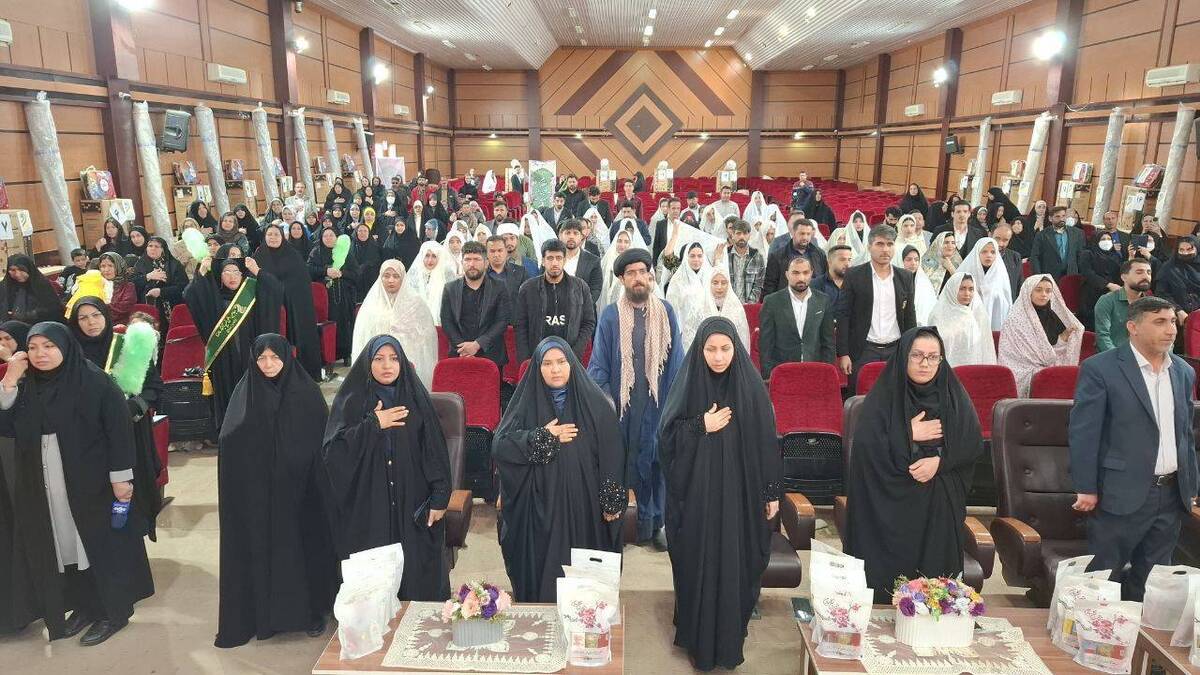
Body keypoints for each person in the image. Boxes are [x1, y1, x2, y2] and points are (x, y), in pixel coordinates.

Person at [0, 322, 154, 642]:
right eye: (33, 347)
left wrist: (121, 479)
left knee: (99, 545)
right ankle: (85, 606)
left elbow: (119, 431)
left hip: (93, 481)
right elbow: (8, 425)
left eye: (49, 346)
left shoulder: (94, 381)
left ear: (66, 347)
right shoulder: (30, 384)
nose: (40, 354)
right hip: (47, 479)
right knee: (67, 546)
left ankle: (113, 612)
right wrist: (9, 382)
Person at [658, 316, 782, 670]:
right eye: (710, 349)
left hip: (741, 500)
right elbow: (666, 440)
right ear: (700, 350)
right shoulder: (687, 385)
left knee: (736, 564)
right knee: (697, 563)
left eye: (725, 348)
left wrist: (771, 491)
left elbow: (767, 444)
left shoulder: (751, 388)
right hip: (697, 500)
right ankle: (697, 638)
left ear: (735, 348)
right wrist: (700, 425)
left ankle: (729, 640)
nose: (718, 356)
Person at [1070, 296, 1198, 601]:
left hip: (1171, 493)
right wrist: (1085, 487)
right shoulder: (1100, 369)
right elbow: (1084, 432)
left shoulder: (1183, 371)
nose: (1171, 329)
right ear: (1133, 327)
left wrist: (1191, 486)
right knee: (1104, 578)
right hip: (1119, 491)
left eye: (1172, 321)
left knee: (1153, 582)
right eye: (1159, 322)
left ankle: (1141, 631)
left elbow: (1186, 435)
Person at [845, 327, 984, 602]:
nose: (925, 363)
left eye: (933, 357)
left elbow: (971, 444)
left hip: (935, 511)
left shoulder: (953, 396)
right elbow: (865, 448)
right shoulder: (884, 397)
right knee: (883, 591)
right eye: (917, 355)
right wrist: (907, 433)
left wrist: (939, 463)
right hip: (888, 509)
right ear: (903, 357)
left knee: (932, 594)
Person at [214, 334, 335, 647]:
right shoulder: (245, 394)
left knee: (303, 552)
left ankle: (312, 612)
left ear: (287, 357)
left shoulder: (306, 393)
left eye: (274, 357)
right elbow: (230, 440)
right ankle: (266, 616)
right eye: (261, 358)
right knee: (266, 551)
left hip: (301, 496)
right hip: (261, 497)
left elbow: (321, 442)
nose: (268, 364)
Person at [492, 336, 626, 602]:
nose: (555, 369)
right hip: (539, 510)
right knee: (545, 573)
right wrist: (542, 437)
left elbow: (613, 454)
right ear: (537, 367)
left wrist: (611, 500)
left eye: (561, 362)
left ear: (572, 364)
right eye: (547, 363)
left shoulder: (596, 404)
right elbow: (500, 446)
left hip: (586, 508)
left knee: (584, 583)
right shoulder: (525, 403)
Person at [322, 335, 452, 600]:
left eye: (393, 359)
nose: (387, 366)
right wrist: (373, 424)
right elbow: (333, 453)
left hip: (413, 500)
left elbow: (434, 451)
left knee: (416, 573)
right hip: (369, 505)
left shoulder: (416, 399)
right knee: (374, 584)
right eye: (379, 359)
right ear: (367, 363)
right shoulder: (352, 400)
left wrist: (440, 497)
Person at [587, 248, 684, 549]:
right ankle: (625, 524)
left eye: (643, 271)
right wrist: (606, 403)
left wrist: (674, 406)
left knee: (656, 462)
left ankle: (656, 522)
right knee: (623, 462)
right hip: (623, 406)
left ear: (651, 276)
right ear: (622, 279)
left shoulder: (666, 312)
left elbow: (677, 363)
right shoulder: (610, 315)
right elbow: (599, 365)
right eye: (631, 273)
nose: (638, 278)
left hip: (658, 403)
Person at [184, 254, 283, 428]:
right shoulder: (214, 299)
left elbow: (275, 290)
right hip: (224, 360)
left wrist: (257, 271)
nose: (232, 276)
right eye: (227, 272)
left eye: (236, 272)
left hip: (249, 356)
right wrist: (202, 271)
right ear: (220, 277)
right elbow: (190, 294)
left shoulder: (252, 294)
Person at [836, 226, 917, 387]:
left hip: (896, 349)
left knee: (895, 396)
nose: (885, 249)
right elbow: (843, 315)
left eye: (890, 244)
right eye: (880, 244)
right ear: (869, 247)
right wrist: (844, 353)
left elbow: (909, 316)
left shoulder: (905, 277)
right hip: (863, 350)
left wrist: (911, 349)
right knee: (860, 397)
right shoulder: (854, 275)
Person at [252, 223, 323, 380]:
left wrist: (280, 290)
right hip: (267, 309)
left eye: (276, 234)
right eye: (269, 234)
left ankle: (299, 376)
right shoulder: (258, 256)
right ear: (264, 237)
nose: (273, 238)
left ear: (282, 237)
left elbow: (300, 284)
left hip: (294, 307)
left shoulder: (293, 255)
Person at [352, 260, 438, 390]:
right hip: (377, 362)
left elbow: (426, 337)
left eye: (396, 276)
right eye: (386, 276)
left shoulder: (416, 304)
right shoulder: (370, 305)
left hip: (409, 359)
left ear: (403, 278)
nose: (391, 280)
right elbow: (362, 338)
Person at [998, 274, 1084, 396]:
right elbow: (1018, 356)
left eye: (1048, 291)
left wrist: (1063, 340)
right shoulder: (1015, 319)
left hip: (1050, 371)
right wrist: (1045, 364)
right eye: (1038, 290)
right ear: (1028, 291)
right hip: (1023, 371)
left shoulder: (1053, 317)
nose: (1044, 294)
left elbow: (1054, 350)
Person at [514, 240, 596, 363]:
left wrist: (574, 354)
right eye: (550, 258)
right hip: (537, 356)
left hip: (570, 356)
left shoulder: (580, 287)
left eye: (558, 258)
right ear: (543, 261)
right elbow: (521, 325)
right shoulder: (528, 288)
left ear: (564, 260)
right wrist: (526, 359)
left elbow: (588, 322)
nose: (554, 263)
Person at [759, 256, 836, 378]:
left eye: (805, 273)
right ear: (787, 275)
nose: (801, 278)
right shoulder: (771, 302)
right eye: (795, 273)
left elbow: (828, 342)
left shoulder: (823, 301)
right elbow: (765, 344)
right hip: (782, 372)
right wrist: (769, 375)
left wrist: (827, 373)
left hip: (815, 371)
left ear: (811, 273)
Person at [440, 241, 511, 370]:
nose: (472, 264)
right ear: (462, 263)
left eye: (477, 259)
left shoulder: (499, 287)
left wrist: (478, 344)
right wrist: (463, 347)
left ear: (486, 263)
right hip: (459, 354)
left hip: (491, 355)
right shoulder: (450, 288)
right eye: (467, 259)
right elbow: (446, 321)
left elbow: (502, 321)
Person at [308, 228, 360, 364]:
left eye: (331, 235)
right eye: (325, 236)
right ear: (321, 238)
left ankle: (346, 354)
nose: (328, 238)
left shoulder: (345, 253)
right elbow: (309, 270)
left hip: (343, 296)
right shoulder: (316, 252)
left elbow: (356, 273)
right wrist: (325, 271)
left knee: (344, 324)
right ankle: (327, 356)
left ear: (337, 237)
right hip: (324, 298)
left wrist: (342, 273)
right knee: (327, 325)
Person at [928, 272, 996, 366]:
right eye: (962, 289)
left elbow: (985, 347)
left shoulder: (977, 314)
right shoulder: (937, 315)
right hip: (945, 368)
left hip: (972, 367)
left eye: (971, 289)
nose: (967, 293)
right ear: (952, 289)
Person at [1095, 258, 1153, 352]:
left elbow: (1162, 334)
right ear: (1124, 277)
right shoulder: (1107, 301)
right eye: (1139, 272)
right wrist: (1119, 358)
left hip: (1146, 356)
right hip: (1114, 356)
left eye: (1149, 273)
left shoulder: (1152, 303)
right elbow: (1103, 337)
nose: (1146, 276)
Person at [956, 237, 1013, 331]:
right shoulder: (965, 272)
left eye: (993, 252)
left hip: (994, 326)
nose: (989, 255)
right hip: (966, 325)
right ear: (977, 253)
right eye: (984, 252)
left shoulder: (1000, 275)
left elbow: (1006, 303)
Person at [666, 242, 714, 349]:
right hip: (685, 333)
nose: (696, 259)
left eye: (699, 256)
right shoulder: (678, 280)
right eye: (692, 256)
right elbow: (673, 309)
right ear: (686, 257)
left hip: (707, 331)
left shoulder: (710, 277)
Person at [762, 218, 827, 297]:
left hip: (814, 300)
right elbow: (769, 286)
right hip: (786, 300)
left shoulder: (820, 254)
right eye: (802, 233)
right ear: (793, 233)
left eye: (808, 234)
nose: (805, 237)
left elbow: (824, 281)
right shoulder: (777, 257)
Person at [130, 235, 187, 316]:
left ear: (163, 249)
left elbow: (183, 286)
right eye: (150, 246)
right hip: (147, 308)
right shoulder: (140, 264)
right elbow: (132, 284)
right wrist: (148, 276)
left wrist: (161, 292)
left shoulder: (174, 265)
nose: (153, 248)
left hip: (172, 306)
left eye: (156, 246)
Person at [0, 254, 64, 324]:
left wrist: (28, 315)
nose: (17, 274)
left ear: (29, 269)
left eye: (22, 270)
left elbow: (54, 309)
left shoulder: (41, 285)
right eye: (12, 270)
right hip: (9, 327)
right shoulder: (5, 287)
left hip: (39, 326)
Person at [1080, 230, 1125, 328]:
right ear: (1096, 240)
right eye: (1103, 239)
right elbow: (1088, 273)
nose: (1107, 241)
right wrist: (1108, 285)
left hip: (1113, 293)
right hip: (1093, 292)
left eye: (1109, 239)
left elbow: (1120, 273)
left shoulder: (1115, 255)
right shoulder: (1087, 254)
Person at [407, 241, 455, 327]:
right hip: (416, 323)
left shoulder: (446, 274)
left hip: (441, 323)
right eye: (427, 255)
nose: (430, 260)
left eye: (434, 256)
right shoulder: (415, 275)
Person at [1029, 206, 1084, 279]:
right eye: (1057, 216)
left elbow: (1081, 255)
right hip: (1049, 275)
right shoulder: (1042, 235)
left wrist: (1080, 274)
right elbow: (1035, 257)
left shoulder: (1077, 233)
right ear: (1050, 218)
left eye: (1063, 216)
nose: (1061, 219)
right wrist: (1038, 276)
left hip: (1071, 275)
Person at [1155, 236, 1200, 321]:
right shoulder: (1168, 268)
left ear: (1197, 249)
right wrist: (1178, 310)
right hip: (1177, 317)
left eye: (1189, 249)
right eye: (1181, 250)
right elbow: (1161, 293)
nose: (1185, 253)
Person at [559, 219, 604, 302]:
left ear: (581, 236)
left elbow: (596, 289)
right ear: (561, 235)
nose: (571, 236)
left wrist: (581, 305)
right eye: (568, 233)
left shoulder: (593, 261)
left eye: (575, 233)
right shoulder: (551, 259)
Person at [722, 220, 766, 304]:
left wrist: (749, 303)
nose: (742, 237)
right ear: (732, 235)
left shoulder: (757, 257)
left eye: (745, 233)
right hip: (727, 304)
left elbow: (759, 284)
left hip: (748, 305)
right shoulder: (724, 255)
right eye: (738, 233)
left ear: (749, 235)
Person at [485, 234, 528, 316]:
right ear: (486, 253)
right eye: (492, 251)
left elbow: (527, 300)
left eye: (500, 250)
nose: (496, 255)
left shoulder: (520, 272)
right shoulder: (480, 274)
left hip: (514, 321)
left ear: (506, 251)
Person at [900, 245, 938, 325]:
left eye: (916, 260)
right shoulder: (896, 281)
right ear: (902, 261)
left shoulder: (924, 284)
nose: (913, 263)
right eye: (909, 259)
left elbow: (929, 309)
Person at [97, 252, 137, 325]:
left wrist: (99, 310)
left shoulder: (128, 286)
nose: (106, 270)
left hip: (120, 326)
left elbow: (123, 309)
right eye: (103, 266)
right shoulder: (96, 284)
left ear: (118, 266)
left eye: (110, 266)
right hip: (97, 324)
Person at [352, 221, 383, 303]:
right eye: (360, 231)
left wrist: (366, 265)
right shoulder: (351, 247)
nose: (362, 233)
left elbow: (378, 262)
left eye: (365, 231)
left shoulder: (375, 246)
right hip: (356, 281)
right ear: (356, 233)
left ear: (369, 233)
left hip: (372, 280)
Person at [990, 224, 1024, 300]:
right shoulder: (980, 255)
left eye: (1005, 240)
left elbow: (1019, 284)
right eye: (997, 238)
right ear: (990, 235)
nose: (1000, 243)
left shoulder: (1015, 257)